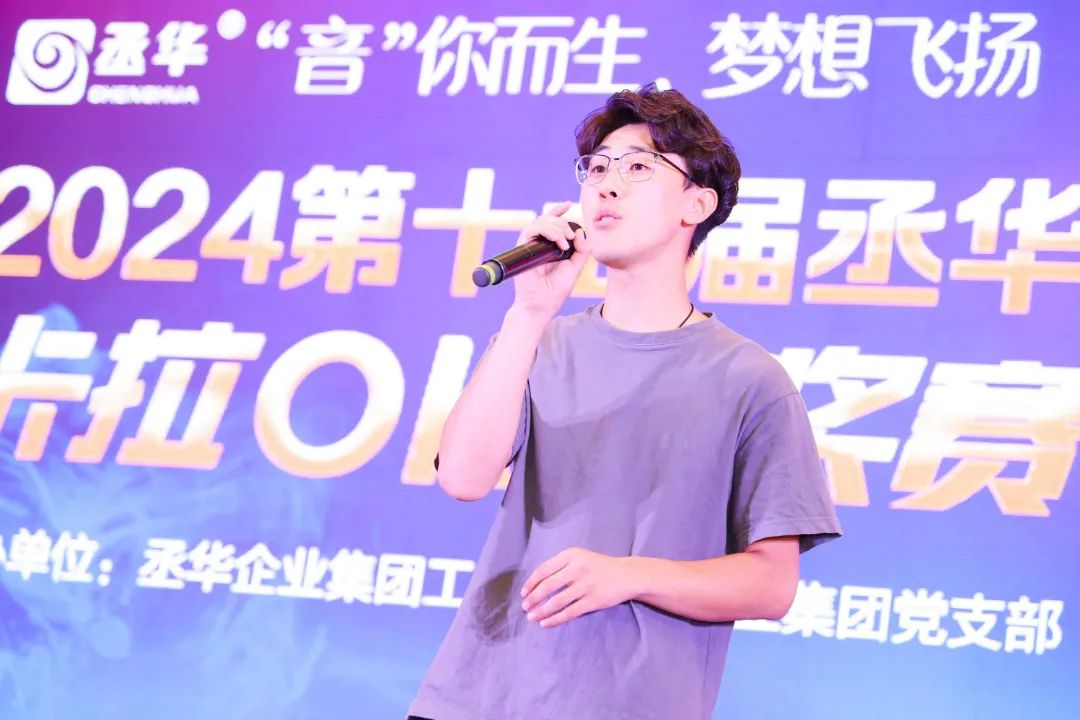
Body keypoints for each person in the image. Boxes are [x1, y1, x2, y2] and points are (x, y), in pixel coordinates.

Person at [407, 84, 842, 720]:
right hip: (477, 696)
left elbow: (772, 584)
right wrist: (529, 313)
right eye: (597, 168)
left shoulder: (751, 380)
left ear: (698, 203)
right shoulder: (540, 340)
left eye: (638, 167)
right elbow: (463, 478)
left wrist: (630, 574)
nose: (607, 185)